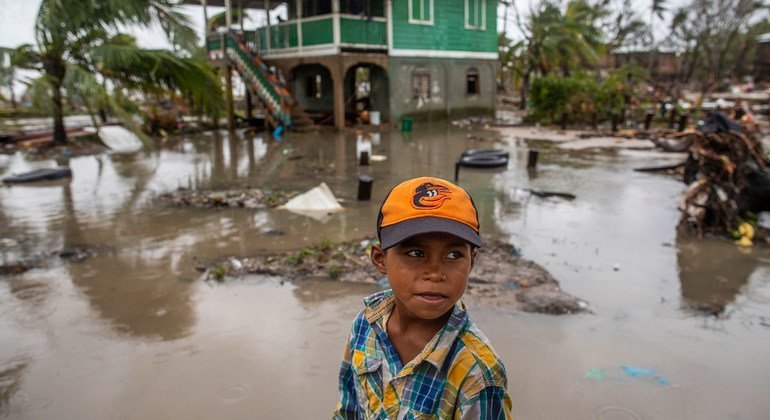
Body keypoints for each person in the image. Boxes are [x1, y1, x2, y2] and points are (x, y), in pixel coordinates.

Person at [334, 177, 513, 419]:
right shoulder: (366, 325)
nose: (435, 273)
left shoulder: (478, 372)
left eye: (453, 255)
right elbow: (348, 408)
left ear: (472, 261)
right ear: (380, 259)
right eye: (416, 253)